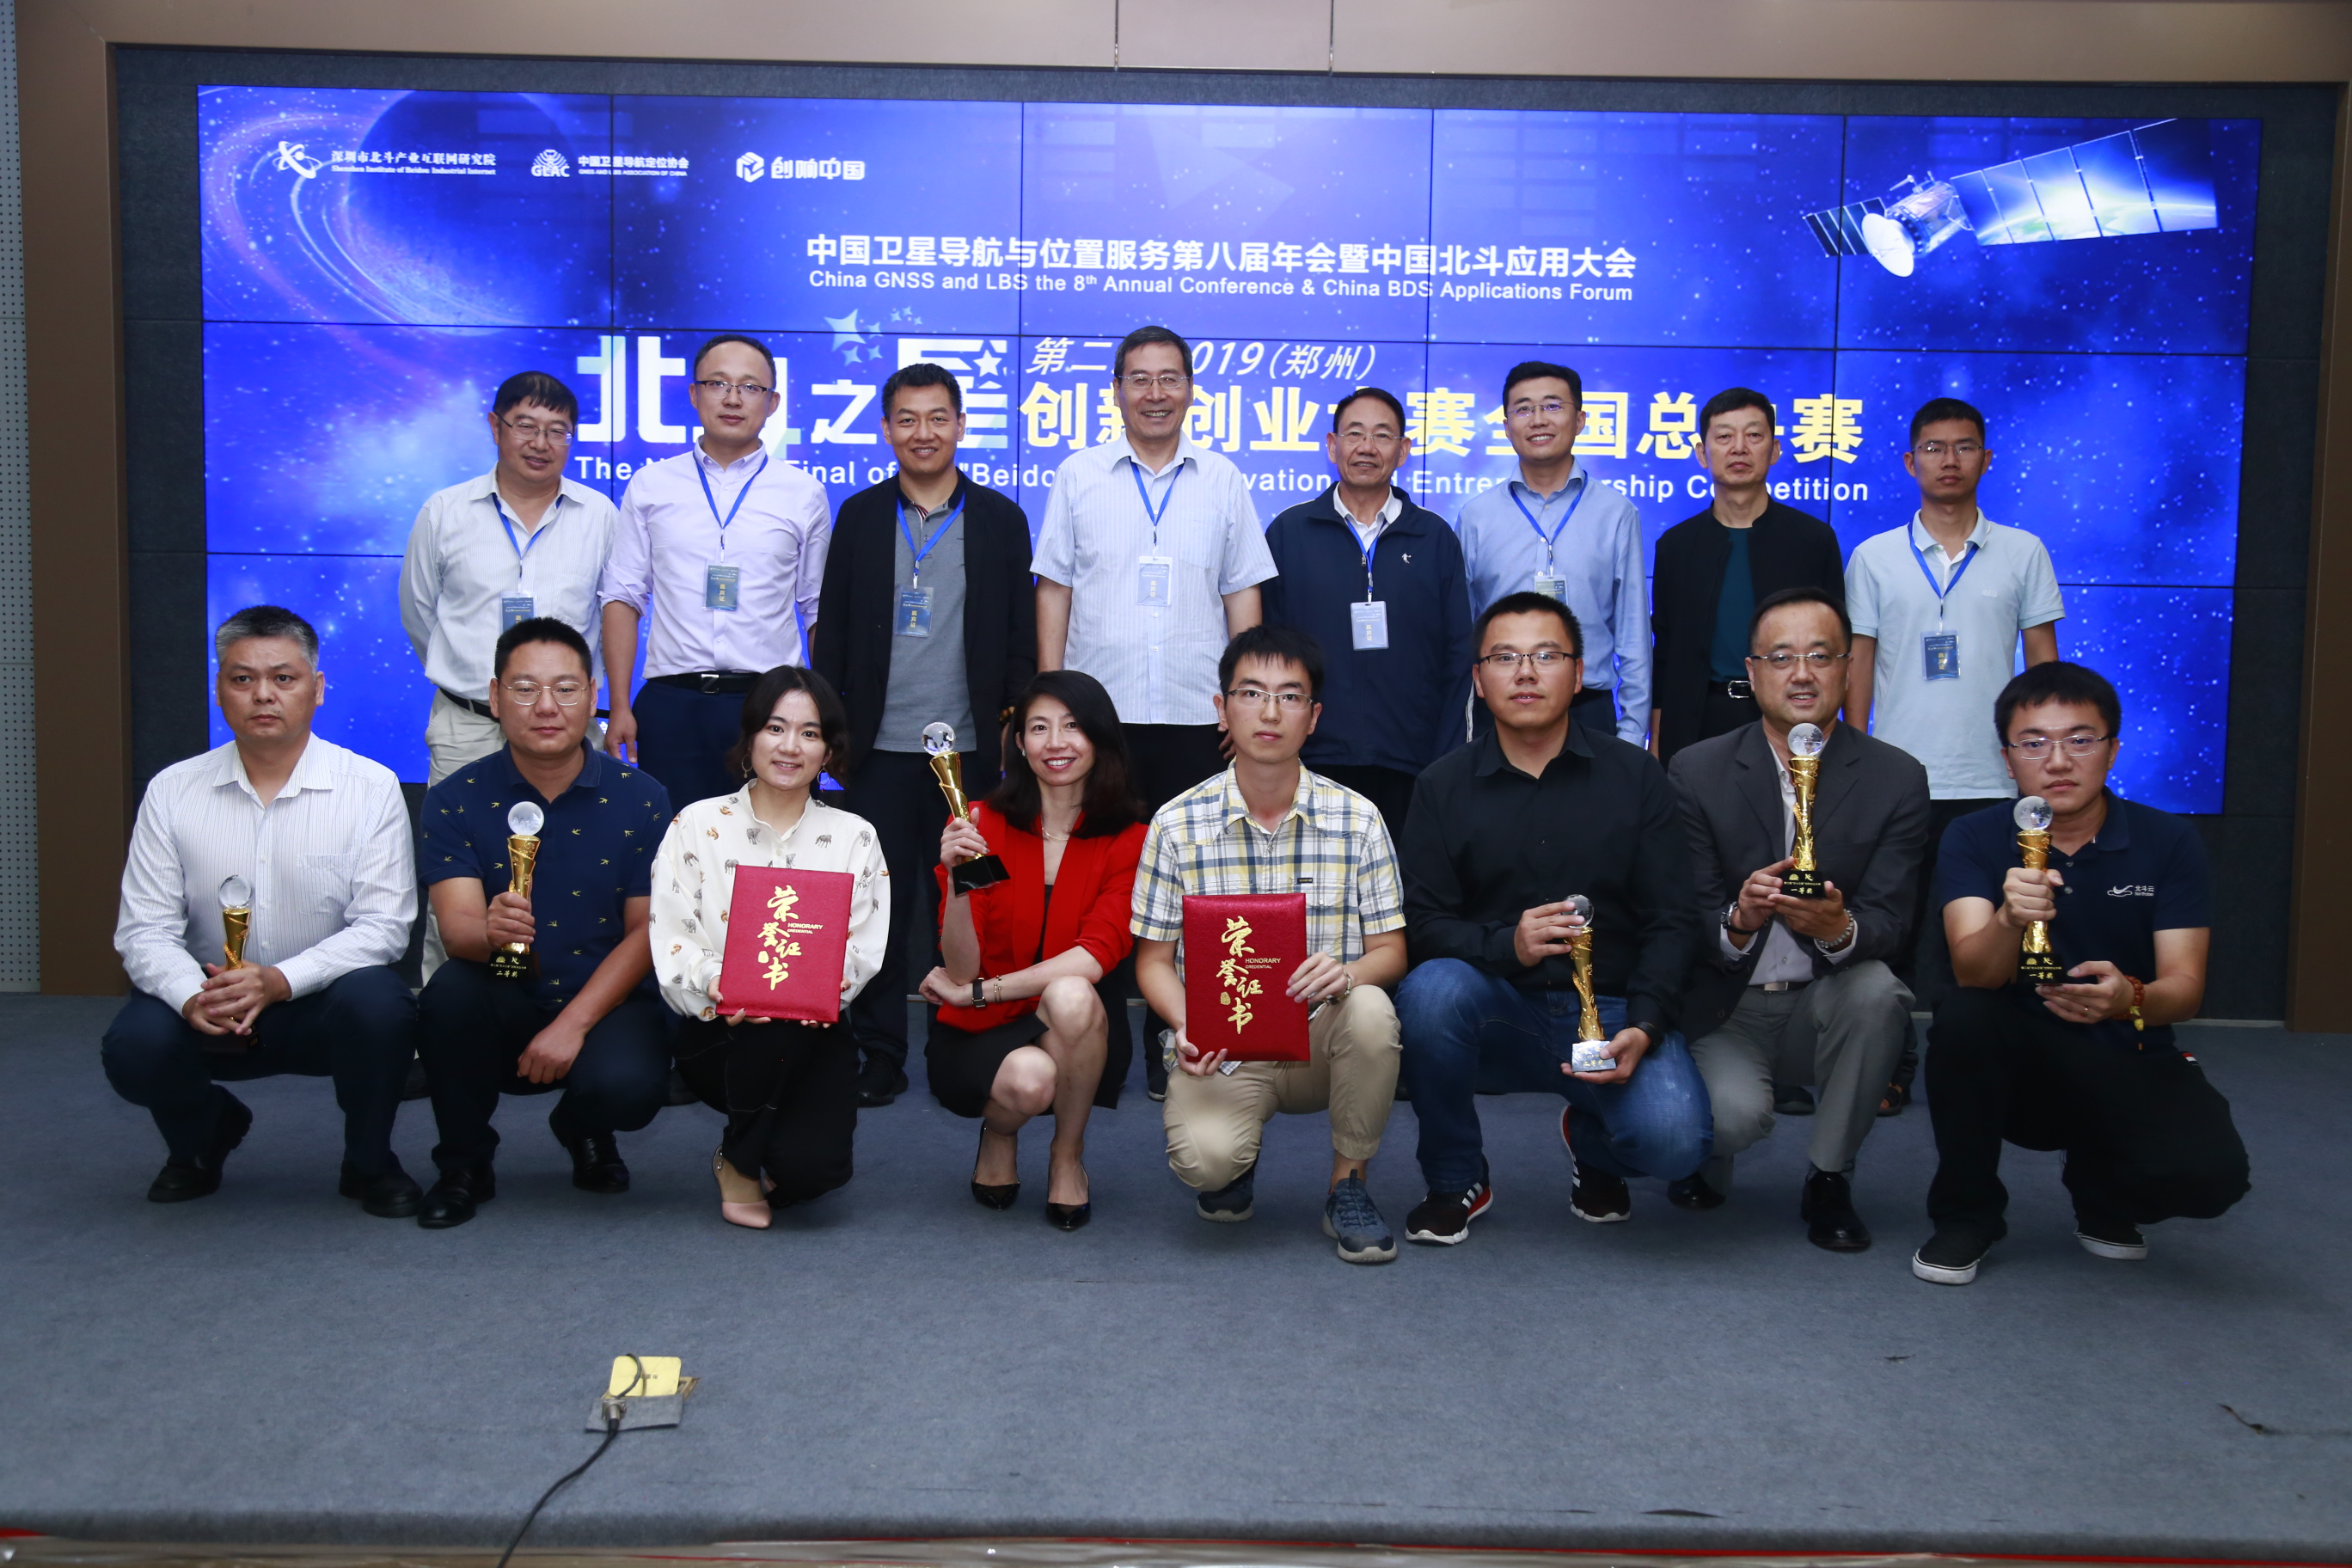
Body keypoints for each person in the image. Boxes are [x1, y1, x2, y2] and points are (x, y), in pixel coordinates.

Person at [1912, 661, 2246, 1286]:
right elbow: (1974, 972)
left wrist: (2130, 997)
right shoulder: (1973, 837)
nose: (2058, 761)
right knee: (1963, 1017)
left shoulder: (2168, 840)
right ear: (2008, 759)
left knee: (2212, 1178)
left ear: (2113, 749)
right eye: (2034, 743)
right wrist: (2009, 917)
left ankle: (2101, 1188)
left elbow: (2185, 989)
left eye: (2080, 740)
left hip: (2121, 1046)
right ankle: (1966, 1214)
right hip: (2012, 1059)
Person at [1394, 591, 1708, 1245]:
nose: (1526, 673)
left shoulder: (1637, 777)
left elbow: (1672, 918)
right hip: (1499, 1008)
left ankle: (1594, 1147)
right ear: (1478, 679)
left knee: (1677, 1143)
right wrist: (1506, 944)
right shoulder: (1441, 786)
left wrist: (1647, 1026)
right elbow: (1424, 925)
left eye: (1546, 655)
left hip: (1612, 1013)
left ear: (1580, 672)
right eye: (1505, 658)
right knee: (1430, 992)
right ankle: (1455, 1178)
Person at [103, 606, 420, 1213]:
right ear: (219, 690)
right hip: (210, 997)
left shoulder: (370, 786)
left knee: (383, 1006)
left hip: (320, 1000)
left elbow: (383, 928)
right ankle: (202, 1135)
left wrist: (278, 981)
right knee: (133, 1047)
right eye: (243, 679)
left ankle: (369, 1162)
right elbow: (144, 930)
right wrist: (192, 995)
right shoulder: (172, 791)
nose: (263, 695)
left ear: (317, 689)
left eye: (283, 678)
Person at [1032, 323, 1276, 1096]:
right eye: (1139, 378)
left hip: (1196, 718)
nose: (1155, 393)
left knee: (1193, 889)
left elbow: (1243, 595)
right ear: (1116, 391)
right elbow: (1055, 589)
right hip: (1099, 723)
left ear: (1191, 390)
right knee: (1094, 889)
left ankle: (1178, 1040)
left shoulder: (1224, 480)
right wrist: (1051, 702)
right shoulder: (1079, 475)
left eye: (1170, 378)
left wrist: (1244, 703)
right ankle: (1094, 1047)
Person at [1130, 625, 1407, 1265]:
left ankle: (1348, 1185)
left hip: (1323, 1038)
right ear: (1221, 708)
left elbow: (1392, 951)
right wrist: (1188, 1022)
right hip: (1223, 1046)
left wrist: (1346, 974)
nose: (1270, 712)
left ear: (1314, 717)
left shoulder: (1359, 818)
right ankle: (1236, 1162)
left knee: (1371, 1008)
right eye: (1251, 693)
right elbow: (1151, 962)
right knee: (1206, 1163)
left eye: (1290, 696)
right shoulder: (1175, 823)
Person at [1666, 587, 1929, 1250]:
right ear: (1752, 673)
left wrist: (1838, 929)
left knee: (1879, 992)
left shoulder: (1897, 778)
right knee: (1730, 1120)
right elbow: (1682, 913)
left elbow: (1893, 921)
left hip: (1826, 1000)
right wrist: (1739, 919)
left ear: (1848, 668)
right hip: (1729, 1005)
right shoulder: (1697, 770)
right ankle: (1710, 1150)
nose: (1802, 674)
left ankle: (1830, 1177)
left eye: (1820, 656)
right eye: (1781, 658)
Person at [812, 360, 1037, 1110]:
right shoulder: (860, 515)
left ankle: (966, 1036)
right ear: (885, 429)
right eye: (907, 419)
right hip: (878, 750)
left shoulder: (1000, 518)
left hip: (969, 753)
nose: (923, 432)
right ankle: (880, 1051)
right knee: (881, 905)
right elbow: (833, 633)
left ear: (961, 426)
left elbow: (1019, 635)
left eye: (938, 417)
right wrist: (833, 736)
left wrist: (1011, 726)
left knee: (972, 897)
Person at [409, 617, 676, 1230]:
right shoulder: (455, 798)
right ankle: (464, 1164)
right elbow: (457, 932)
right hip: (506, 982)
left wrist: (572, 1026)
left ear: (592, 695)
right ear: (495, 697)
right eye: (525, 689)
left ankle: (584, 1125)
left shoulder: (643, 797)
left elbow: (646, 933)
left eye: (566, 688)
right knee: (449, 995)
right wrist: (492, 933)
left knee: (630, 1089)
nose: (547, 707)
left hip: (604, 996)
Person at [1845, 397, 2063, 1110]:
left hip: (1992, 780)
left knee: (1989, 935)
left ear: (1986, 459)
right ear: (1911, 461)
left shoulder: (2023, 551)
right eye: (1934, 448)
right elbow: (1859, 662)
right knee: (1893, 935)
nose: (1949, 460)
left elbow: (2044, 668)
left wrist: (2041, 762)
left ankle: (1976, 1067)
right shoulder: (1874, 555)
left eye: (1964, 447)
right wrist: (1855, 757)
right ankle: (1890, 1065)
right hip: (1898, 779)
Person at [650, 665, 889, 1228]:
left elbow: (864, 946)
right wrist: (722, 984)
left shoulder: (854, 836)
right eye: (776, 728)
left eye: (810, 733)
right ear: (751, 736)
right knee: (767, 1015)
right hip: (721, 1030)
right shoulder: (696, 823)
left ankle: (764, 1143)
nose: (790, 746)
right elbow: (672, 934)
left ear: (828, 750)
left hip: (814, 1031)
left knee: (813, 1174)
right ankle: (739, 1160)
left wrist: (820, 987)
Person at [920, 671, 1148, 1231]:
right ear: (1019, 742)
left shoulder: (1131, 840)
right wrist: (956, 884)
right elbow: (961, 968)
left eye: (1072, 727)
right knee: (1028, 1079)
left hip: (1077, 1027)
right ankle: (1000, 1133)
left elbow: (1095, 956)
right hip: (979, 1031)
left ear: (1099, 738)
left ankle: (1067, 1154)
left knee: (1072, 993)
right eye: (1039, 728)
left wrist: (980, 992)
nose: (1055, 742)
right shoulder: (981, 823)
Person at [599, 333, 832, 809]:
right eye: (718, 383)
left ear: (772, 402)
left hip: (771, 708)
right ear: (693, 393)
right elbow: (623, 596)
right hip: (671, 704)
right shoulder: (651, 485)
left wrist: (823, 718)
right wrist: (620, 704)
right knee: (673, 842)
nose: (732, 398)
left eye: (750, 387)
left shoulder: (803, 492)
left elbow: (817, 610)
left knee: (771, 842)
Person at [1260, 385, 1473, 834]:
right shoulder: (1289, 532)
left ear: (1403, 450)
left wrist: (1448, 760)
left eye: (1382, 435)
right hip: (1310, 758)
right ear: (1332, 445)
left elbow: (1458, 656)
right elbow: (1266, 650)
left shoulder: (1434, 538)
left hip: (1411, 763)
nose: (1366, 447)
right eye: (1354, 434)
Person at [400, 371, 620, 787]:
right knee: (460, 830)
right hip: (467, 726)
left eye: (557, 432)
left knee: (571, 829)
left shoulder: (601, 517)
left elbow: (613, 619)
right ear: (495, 426)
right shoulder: (444, 512)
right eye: (526, 426)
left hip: (563, 731)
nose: (541, 443)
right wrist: (469, 676)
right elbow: (420, 613)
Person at [1649, 389, 1846, 766]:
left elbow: (1836, 649)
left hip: (1791, 718)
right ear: (1702, 453)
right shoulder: (1676, 545)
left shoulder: (1813, 540)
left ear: (1775, 450)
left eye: (1754, 435)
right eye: (1724, 436)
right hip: (1697, 721)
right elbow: (1666, 653)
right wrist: (1657, 741)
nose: (1739, 448)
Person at [1456, 362, 1650, 745]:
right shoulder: (1476, 516)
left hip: (1588, 709)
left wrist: (1632, 732)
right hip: (1499, 708)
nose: (1538, 420)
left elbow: (1633, 633)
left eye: (1552, 406)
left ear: (1580, 419)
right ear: (1506, 425)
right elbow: (1462, 632)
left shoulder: (1616, 513)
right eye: (1524, 409)